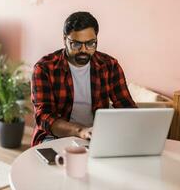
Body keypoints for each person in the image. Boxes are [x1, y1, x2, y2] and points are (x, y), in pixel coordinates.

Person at [31, 11, 137, 146]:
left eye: (91, 43)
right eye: (76, 44)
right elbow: (44, 117)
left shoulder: (109, 65)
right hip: (54, 136)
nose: (84, 50)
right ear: (65, 39)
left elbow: (126, 106)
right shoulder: (44, 68)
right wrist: (80, 131)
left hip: (97, 135)